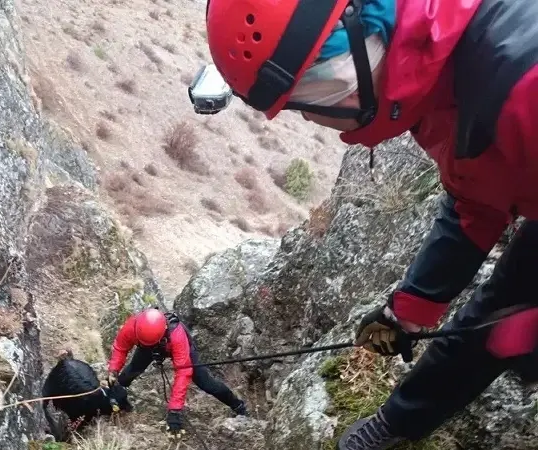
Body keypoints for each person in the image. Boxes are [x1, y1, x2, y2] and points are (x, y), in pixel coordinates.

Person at [204, 0, 538, 449]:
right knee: (491, 320)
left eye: (316, 91)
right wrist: (408, 311)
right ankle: (400, 423)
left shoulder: (524, 84)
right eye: (297, 105)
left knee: (503, 330)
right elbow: (476, 200)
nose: (312, 117)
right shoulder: (434, 75)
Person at [106, 308, 247, 439]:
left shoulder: (177, 335)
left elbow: (183, 372)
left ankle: (238, 405)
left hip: (174, 344)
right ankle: (118, 393)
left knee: (206, 383)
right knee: (132, 370)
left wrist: (174, 409)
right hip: (149, 344)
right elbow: (120, 347)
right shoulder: (134, 327)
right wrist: (113, 370)